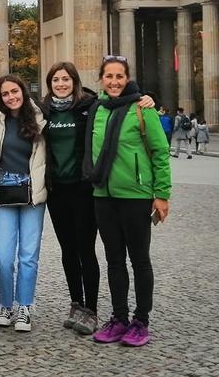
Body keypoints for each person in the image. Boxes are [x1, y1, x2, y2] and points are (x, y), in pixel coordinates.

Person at [42, 61, 146, 335]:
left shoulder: (90, 106)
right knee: (67, 250)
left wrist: (143, 97)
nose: (61, 84)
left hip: (83, 189)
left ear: (75, 82)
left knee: (85, 249)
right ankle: (76, 303)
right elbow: (12, 112)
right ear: (49, 84)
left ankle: (91, 310)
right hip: (56, 190)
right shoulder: (43, 110)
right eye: (56, 80)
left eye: (66, 79)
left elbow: (118, 99)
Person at [86, 56, 172, 348]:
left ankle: (141, 321)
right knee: (114, 261)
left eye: (119, 76)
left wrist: (162, 194)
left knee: (139, 260)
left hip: (135, 195)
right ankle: (119, 318)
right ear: (101, 79)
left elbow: (160, 152)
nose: (114, 82)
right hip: (103, 195)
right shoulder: (97, 109)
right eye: (109, 76)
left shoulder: (143, 109)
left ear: (127, 78)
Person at [0, 74, 48, 333]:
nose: (11, 97)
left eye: (15, 91)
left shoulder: (40, 116)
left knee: (29, 255)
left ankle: (25, 306)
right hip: (5, 190)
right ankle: (5, 304)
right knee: (3, 256)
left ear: (23, 91)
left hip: (33, 191)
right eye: (5, 93)